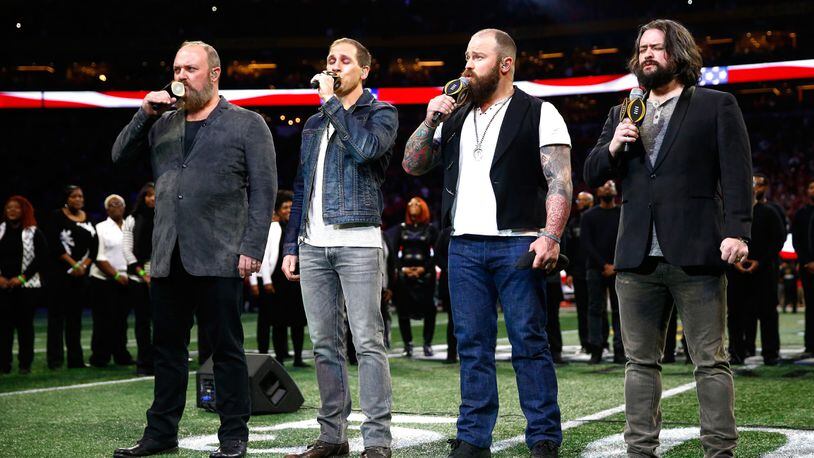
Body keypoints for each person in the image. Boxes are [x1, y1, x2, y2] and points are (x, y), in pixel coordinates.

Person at [584, 19, 752, 456]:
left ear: (678, 54)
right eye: (642, 49)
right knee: (639, 362)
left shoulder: (716, 105)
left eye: (656, 48)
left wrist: (738, 231)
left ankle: (720, 450)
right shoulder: (622, 111)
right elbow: (591, 171)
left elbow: (737, 174)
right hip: (637, 258)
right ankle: (640, 450)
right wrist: (615, 146)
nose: (647, 56)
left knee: (710, 362)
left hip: (696, 252)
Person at [403, 28, 571, 458]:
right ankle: (474, 437)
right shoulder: (454, 115)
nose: (467, 65)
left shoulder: (540, 111)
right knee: (472, 345)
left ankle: (544, 436)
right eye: (466, 56)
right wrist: (429, 120)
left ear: (505, 63)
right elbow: (413, 164)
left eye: (477, 57)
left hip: (517, 244)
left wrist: (551, 235)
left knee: (529, 343)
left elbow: (560, 181)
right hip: (462, 246)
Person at [111, 40, 277, 458]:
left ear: (214, 74)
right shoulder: (162, 122)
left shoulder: (247, 123)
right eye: (177, 68)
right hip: (168, 256)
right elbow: (118, 157)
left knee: (225, 351)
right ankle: (161, 432)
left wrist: (252, 247)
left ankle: (234, 435)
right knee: (166, 351)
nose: (181, 76)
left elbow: (264, 192)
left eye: (191, 68)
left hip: (221, 255)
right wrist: (143, 113)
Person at [281, 38, 397, 458]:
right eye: (330, 59)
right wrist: (294, 240)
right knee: (324, 345)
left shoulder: (380, 112)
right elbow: (301, 185)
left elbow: (366, 150)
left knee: (368, 342)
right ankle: (333, 436)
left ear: (365, 70)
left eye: (344, 61)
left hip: (358, 241)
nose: (334, 66)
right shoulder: (313, 125)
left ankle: (377, 440)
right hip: (313, 244)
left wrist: (332, 104)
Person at [727, 180, 784, 365]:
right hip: (736, 271)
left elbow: (778, 240)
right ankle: (736, 352)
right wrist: (736, 262)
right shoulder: (732, 215)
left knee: (767, 312)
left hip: (764, 272)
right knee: (735, 313)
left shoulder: (769, 212)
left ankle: (771, 352)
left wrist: (760, 261)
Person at [251, 190, 308, 367]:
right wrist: (265, 281)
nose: (289, 210)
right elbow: (265, 257)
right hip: (278, 280)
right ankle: (280, 358)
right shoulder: (273, 228)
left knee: (298, 321)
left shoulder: (301, 227)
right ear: (277, 210)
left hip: (296, 279)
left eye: (291, 206)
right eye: (285, 207)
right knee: (278, 321)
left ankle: (298, 358)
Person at [45, 185, 97, 369]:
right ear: (67, 198)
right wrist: (73, 264)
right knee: (57, 318)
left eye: (81, 196)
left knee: (75, 319)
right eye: (74, 196)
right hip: (60, 275)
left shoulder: (88, 218)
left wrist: (83, 265)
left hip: (81, 276)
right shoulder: (56, 216)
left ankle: (76, 360)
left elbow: (95, 246)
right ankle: (55, 360)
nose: (78, 199)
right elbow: (54, 244)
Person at [0, 196, 47, 375]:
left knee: (25, 327)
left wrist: (22, 277)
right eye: (9, 208)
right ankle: (4, 364)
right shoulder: (0, 230)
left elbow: (41, 258)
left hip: (27, 287)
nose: (12, 211)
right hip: (3, 287)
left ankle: (25, 364)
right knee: (4, 328)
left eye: (16, 208)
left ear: (24, 210)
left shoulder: (33, 232)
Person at [580, 180, 624, 364]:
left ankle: (620, 350)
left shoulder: (623, 213)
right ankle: (596, 349)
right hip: (596, 269)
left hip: (619, 268)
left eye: (611, 183)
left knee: (619, 311)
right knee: (595, 310)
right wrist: (605, 265)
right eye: (604, 184)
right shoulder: (589, 216)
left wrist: (615, 264)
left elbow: (627, 240)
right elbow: (586, 243)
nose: (608, 186)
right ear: (597, 191)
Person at [89, 194, 135, 368]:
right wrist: (116, 275)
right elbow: (98, 257)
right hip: (104, 280)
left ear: (124, 207)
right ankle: (100, 357)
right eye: (112, 205)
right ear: (107, 209)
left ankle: (121, 355)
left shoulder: (130, 226)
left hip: (127, 279)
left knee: (121, 321)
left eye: (119, 204)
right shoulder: (100, 228)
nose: (116, 207)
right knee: (103, 320)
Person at [393, 196, 438, 357]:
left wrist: (423, 269)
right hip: (405, 275)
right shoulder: (401, 228)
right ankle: (408, 344)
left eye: (416, 203)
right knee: (403, 310)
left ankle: (427, 344)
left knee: (430, 309)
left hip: (425, 275)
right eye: (410, 203)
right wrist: (402, 269)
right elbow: (393, 252)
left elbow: (436, 253)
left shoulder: (431, 228)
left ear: (423, 207)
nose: (412, 205)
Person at [122, 183, 156, 375]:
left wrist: (154, 273)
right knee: (142, 323)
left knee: (161, 322)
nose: (152, 198)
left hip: (160, 276)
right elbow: (127, 249)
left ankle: (162, 361)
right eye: (148, 195)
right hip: (138, 277)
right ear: (142, 197)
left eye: (155, 195)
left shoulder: (165, 217)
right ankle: (144, 363)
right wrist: (143, 273)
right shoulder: (132, 219)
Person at [564, 191, 594, 353]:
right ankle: (585, 343)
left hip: (595, 269)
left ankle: (601, 342)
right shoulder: (573, 222)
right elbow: (570, 248)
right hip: (578, 270)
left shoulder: (596, 218)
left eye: (583, 200)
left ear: (590, 202)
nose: (579, 203)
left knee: (597, 308)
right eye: (578, 200)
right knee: (582, 309)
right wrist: (569, 271)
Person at [791, 180, 814, 357]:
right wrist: (807, 261)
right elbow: (797, 240)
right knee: (810, 306)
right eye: (811, 186)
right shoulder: (801, 214)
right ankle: (810, 345)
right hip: (807, 267)